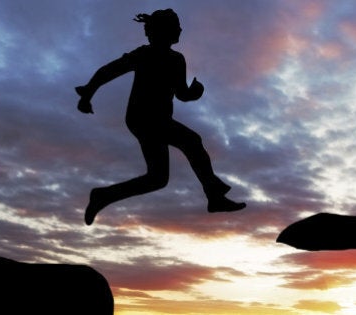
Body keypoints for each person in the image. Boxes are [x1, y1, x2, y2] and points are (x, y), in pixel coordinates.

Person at [76, 9, 246, 225]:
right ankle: (214, 196)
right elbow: (108, 71)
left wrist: (194, 93)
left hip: (159, 120)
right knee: (192, 141)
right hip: (143, 118)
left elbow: (181, 93)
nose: (181, 29)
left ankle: (103, 196)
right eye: (176, 26)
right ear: (163, 31)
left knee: (157, 179)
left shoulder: (177, 60)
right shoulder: (144, 55)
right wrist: (87, 94)